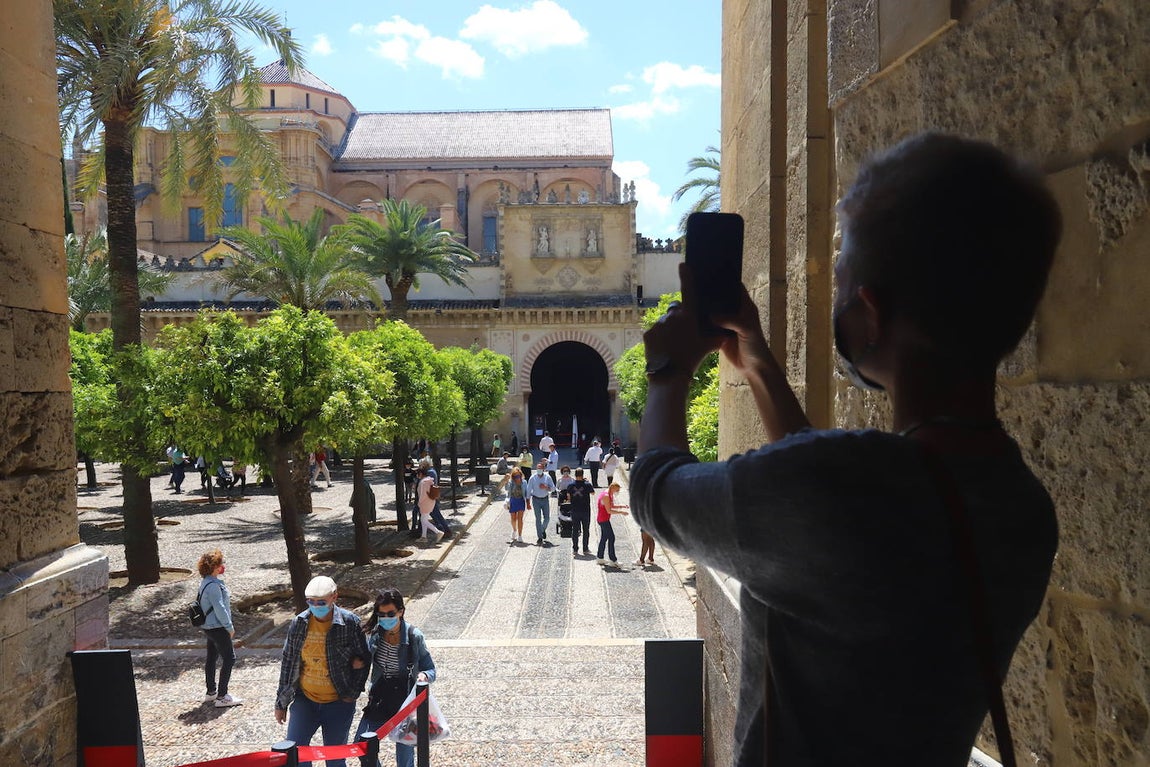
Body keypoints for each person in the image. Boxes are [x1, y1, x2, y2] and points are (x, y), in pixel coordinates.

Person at [630, 133, 1061, 766]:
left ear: (870, 314)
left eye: (840, 278)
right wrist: (758, 365)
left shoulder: (834, 490)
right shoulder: (1023, 507)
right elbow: (827, 507)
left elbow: (654, 490)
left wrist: (668, 372)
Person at [275, 575, 370, 767]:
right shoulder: (298, 624)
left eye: (321, 602)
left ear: (335, 597)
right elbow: (288, 663)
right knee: (296, 756)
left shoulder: (350, 623)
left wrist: (352, 694)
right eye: (311, 602)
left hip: (338, 702)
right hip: (305, 700)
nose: (316, 606)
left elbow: (364, 659)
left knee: (335, 760)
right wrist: (281, 703)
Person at [353, 588, 436, 767]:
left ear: (401, 611)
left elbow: (431, 670)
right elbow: (368, 660)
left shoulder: (414, 637)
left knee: (404, 758)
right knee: (362, 746)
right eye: (381, 614)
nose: (385, 618)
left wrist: (423, 676)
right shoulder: (375, 635)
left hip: (405, 703)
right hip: (380, 699)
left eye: (390, 614)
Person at [196, 549, 241, 707]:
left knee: (212, 658)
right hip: (217, 627)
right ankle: (222, 696)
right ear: (214, 566)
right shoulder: (213, 586)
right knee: (230, 658)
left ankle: (211, 692)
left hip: (208, 627)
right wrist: (229, 627)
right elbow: (220, 608)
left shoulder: (204, 583)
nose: (223, 566)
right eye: (220, 563)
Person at [595, 482, 629, 567]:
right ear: (613, 488)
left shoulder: (609, 494)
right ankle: (613, 560)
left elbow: (611, 505)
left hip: (604, 519)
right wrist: (621, 512)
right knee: (611, 538)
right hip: (603, 520)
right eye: (617, 490)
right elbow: (609, 510)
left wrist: (622, 506)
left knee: (604, 538)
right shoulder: (606, 496)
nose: (617, 492)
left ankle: (600, 557)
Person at [564, 467, 593, 557]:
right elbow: (593, 493)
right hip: (585, 510)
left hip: (575, 510)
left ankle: (575, 549)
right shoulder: (587, 485)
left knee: (575, 530)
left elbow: (568, 497)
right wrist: (586, 482)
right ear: (582, 474)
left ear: (575, 475)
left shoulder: (571, 485)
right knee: (586, 530)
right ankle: (585, 548)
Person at [526, 460, 557, 545]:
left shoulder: (547, 477)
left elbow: (553, 488)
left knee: (547, 518)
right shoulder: (532, 478)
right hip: (536, 499)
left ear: (543, 469)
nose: (539, 469)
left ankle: (542, 529)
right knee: (538, 519)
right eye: (538, 468)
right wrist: (527, 502)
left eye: (541, 468)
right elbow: (528, 490)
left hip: (545, 499)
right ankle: (539, 536)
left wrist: (546, 487)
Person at [415, 466, 444, 543]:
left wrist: (419, 502)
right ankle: (424, 537)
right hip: (431, 502)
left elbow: (423, 495)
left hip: (425, 503)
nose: (417, 476)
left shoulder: (423, 482)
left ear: (420, 474)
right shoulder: (429, 481)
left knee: (424, 520)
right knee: (424, 519)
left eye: (417, 474)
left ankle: (438, 532)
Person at [505, 467, 527, 543]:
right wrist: (506, 481)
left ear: (521, 475)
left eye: (519, 476)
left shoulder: (524, 482)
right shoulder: (511, 482)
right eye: (515, 476)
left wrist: (528, 502)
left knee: (520, 519)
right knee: (513, 519)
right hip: (513, 501)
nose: (517, 478)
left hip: (521, 501)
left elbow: (526, 492)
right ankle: (514, 530)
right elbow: (507, 490)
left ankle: (520, 535)